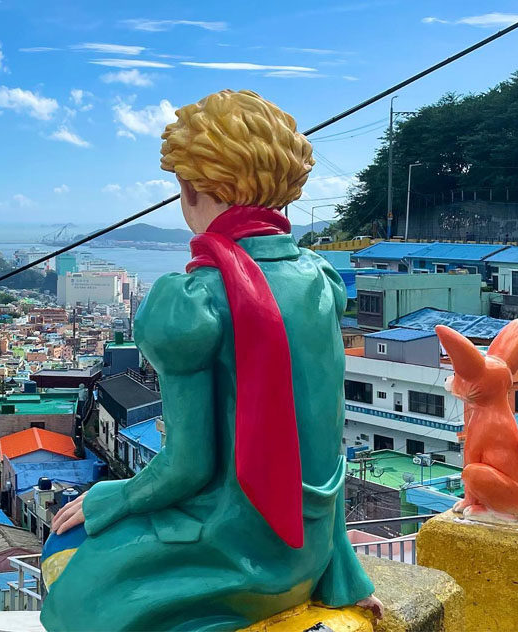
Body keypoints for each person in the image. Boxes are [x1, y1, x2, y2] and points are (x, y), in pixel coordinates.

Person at [42, 89, 383, 632]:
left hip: (235, 554)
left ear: (190, 187)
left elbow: (188, 465)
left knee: (67, 564)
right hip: (307, 555)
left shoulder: (194, 300)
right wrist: (346, 575)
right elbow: (321, 446)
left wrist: (110, 497)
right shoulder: (319, 281)